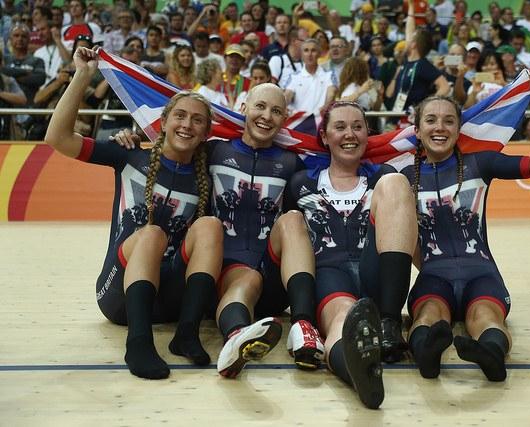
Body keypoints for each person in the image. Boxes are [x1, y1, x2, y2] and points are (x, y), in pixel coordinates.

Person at [114, 83, 325, 377]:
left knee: (291, 219)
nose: (266, 116)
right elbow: (176, 146)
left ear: (285, 119)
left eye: (276, 111)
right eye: (260, 107)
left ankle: (303, 325)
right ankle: (236, 337)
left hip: (275, 279)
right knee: (246, 278)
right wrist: (135, 137)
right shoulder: (213, 150)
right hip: (224, 273)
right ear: (243, 109)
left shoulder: (291, 162)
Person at [44, 46, 224, 380]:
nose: (187, 124)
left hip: (169, 299)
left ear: (206, 132)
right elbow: (57, 138)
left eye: (197, 119)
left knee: (211, 225)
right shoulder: (129, 155)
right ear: (163, 121)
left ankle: (186, 334)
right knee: (152, 232)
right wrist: (82, 75)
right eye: (180, 116)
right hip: (118, 298)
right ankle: (138, 342)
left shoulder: (209, 174)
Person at [400, 71, 530, 382]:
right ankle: (427, 356)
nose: (440, 127)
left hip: (481, 274)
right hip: (434, 276)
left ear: (459, 129)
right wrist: (425, 264)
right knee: (429, 314)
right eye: (431, 120)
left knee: (484, 316)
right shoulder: (402, 177)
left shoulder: (480, 162)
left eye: (448, 121)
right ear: (417, 130)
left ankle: (492, 357)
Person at [286, 101, 418, 408]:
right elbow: (289, 240)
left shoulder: (382, 177)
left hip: (377, 272)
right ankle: (359, 374)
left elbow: (409, 234)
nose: (350, 134)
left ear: (368, 134)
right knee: (343, 319)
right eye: (340, 127)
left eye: (358, 127)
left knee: (396, 181)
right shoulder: (300, 183)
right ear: (324, 136)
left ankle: (388, 322)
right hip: (330, 276)